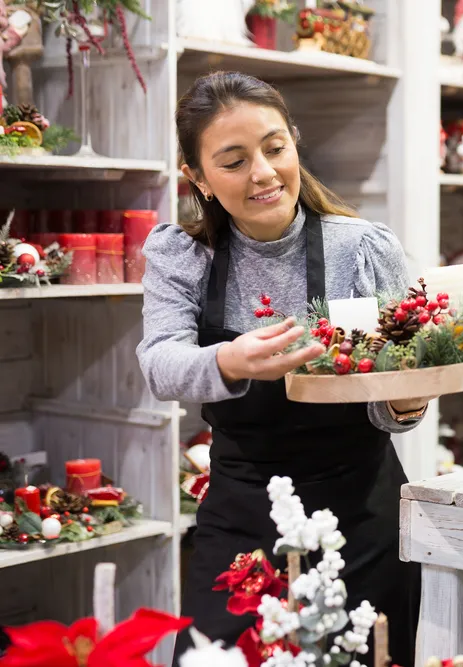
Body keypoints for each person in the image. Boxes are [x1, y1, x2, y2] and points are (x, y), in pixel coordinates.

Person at [137, 71, 424, 666]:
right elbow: (161, 363)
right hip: (243, 513)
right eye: (234, 161)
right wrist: (231, 359)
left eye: (274, 149)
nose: (263, 174)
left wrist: (403, 404)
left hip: (362, 514)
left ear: (294, 142)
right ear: (198, 178)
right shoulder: (183, 255)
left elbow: (399, 382)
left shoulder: (365, 248)